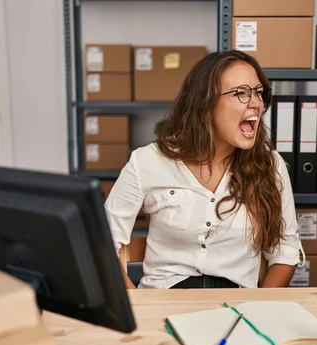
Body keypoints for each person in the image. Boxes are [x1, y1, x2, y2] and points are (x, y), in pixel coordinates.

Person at [104, 50, 303, 289]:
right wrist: (136, 305)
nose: (256, 103)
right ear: (205, 103)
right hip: (163, 302)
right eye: (241, 93)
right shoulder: (148, 161)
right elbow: (103, 239)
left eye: (259, 93)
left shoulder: (270, 166)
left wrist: (258, 308)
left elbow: (285, 252)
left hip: (235, 309)